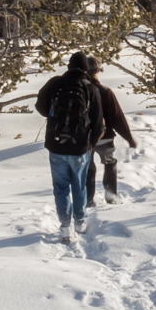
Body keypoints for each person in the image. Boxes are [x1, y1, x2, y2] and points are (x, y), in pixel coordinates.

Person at [34, 50, 105, 245]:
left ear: (69, 66)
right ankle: (80, 222)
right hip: (80, 147)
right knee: (79, 186)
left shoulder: (55, 83)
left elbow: (40, 107)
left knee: (60, 187)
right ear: (85, 69)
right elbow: (99, 125)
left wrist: (53, 115)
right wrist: (90, 145)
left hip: (56, 145)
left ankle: (65, 228)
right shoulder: (91, 88)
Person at [86, 61, 136, 203]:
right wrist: (129, 138)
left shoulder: (80, 91)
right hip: (105, 138)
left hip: (85, 139)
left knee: (88, 168)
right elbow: (117, 118)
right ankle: (111, 196)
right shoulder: (106, 92)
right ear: (99, 71)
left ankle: (88, 200)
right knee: (109, 163)